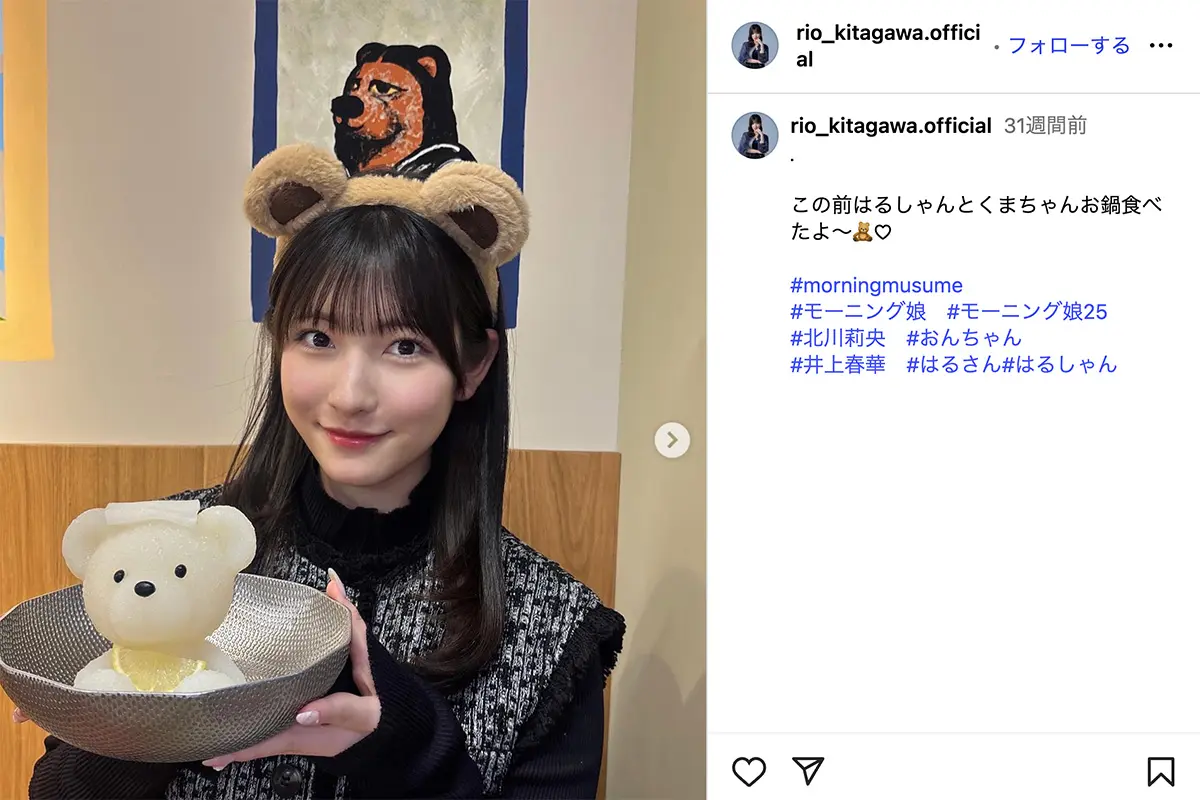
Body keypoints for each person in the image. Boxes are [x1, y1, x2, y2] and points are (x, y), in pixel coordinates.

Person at [14, 142, 625, 799]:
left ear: (473, 366)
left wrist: (403, 747)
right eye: (318, 339)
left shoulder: (552, 624)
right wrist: (148, 718)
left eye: (405, 346)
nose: (350, 394)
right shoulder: (173, 553)